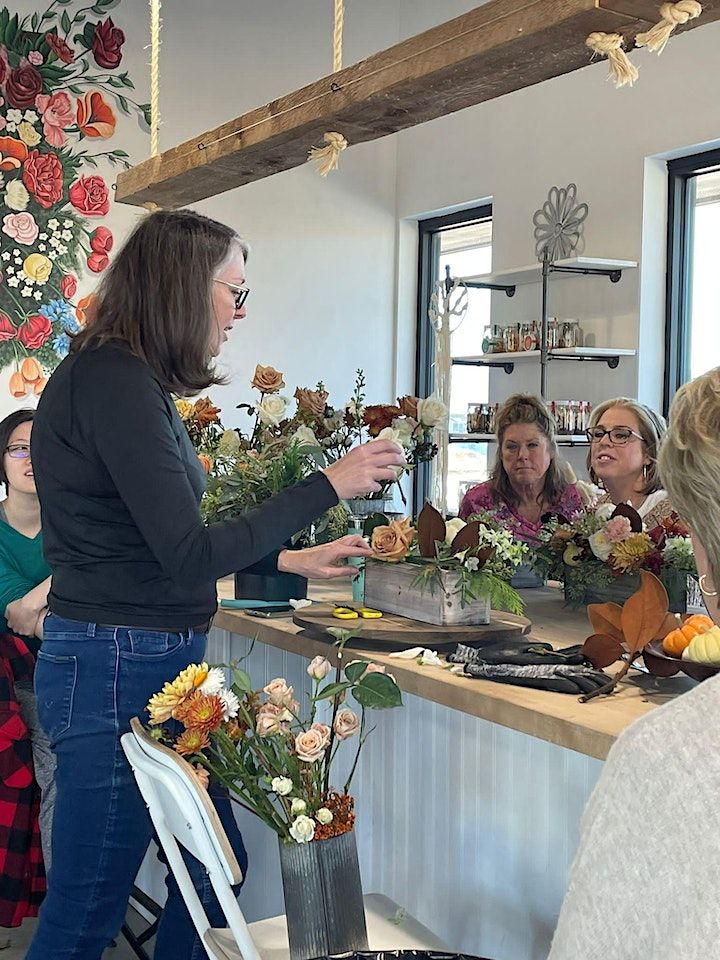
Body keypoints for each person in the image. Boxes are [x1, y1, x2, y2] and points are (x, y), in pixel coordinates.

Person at [27, 209, 405, 960]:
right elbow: (186, 555)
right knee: (84, 915)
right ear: (181, 287)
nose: (238, 311)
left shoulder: (124, 379)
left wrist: (287, 565)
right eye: (235, 289)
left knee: (209, 874)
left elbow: (152, 552)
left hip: (142, 661)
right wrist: (327, 482)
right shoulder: (113, 382)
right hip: (116, 667)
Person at [548, 366, 720, 960]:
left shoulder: (668, 754)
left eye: (620, 433)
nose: (603, 442)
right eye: (596, 432)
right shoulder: (589, 510)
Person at [0, 409, 54, 941]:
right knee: (57, 769)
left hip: (75, 666)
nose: (30, 459)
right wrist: (74, 568)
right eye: (18, 448)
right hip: (16, 683)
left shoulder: (73, 524)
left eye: (42, 448)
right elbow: (13, 613)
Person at [459, 394, 581, 544]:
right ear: (501, 454)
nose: (522, 455)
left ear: (551, 450)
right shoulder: (477, 502)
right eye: (512, 447)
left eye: (532, 445)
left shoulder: (571, 500)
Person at [586, 397, 672, 528]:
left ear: (649, 452)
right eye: (598, 434)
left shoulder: (674, 515)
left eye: (620, 435)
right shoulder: (594, 511)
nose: (603, 442)